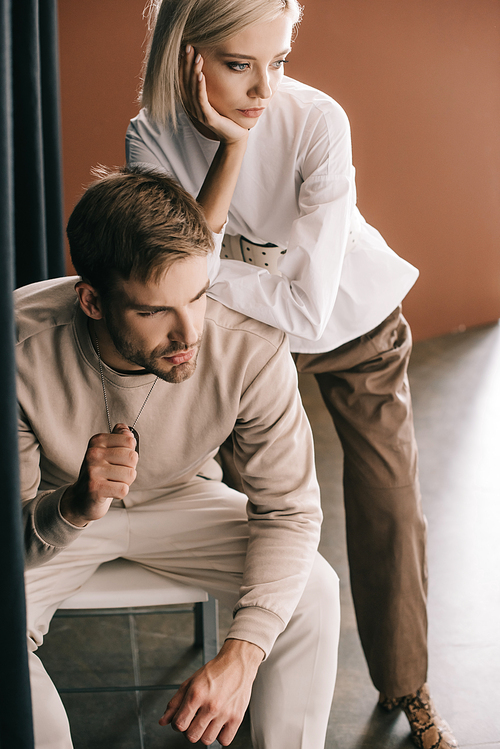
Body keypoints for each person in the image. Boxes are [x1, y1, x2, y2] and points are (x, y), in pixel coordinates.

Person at [125, 1, 458, 748]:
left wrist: (208, 274)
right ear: (186, 57)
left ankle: (408, 685)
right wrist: (231, 151)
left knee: (388, 496)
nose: (263, 90)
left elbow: (307, 306)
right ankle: (250, 669)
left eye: (276, 61)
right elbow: (166, 274)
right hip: (246, 339)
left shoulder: (318, 120)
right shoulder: (149, 137)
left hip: (351, 318)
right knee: (254, 506)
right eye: (239, 64)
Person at [18, 167, 340, 749]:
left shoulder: (252, 345)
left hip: (181, 497)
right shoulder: (18, 349)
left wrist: (242, 656)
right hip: (55, 508)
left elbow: (290, 511)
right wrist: (74, 503)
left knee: (312, 589)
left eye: (197, 294)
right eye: (152, 311)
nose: (189, 331)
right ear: (91, 300)